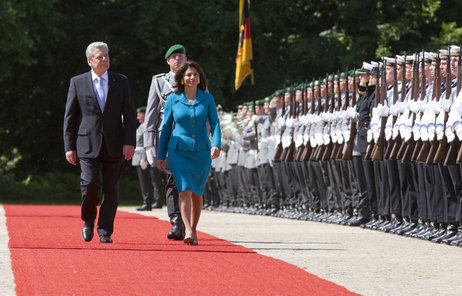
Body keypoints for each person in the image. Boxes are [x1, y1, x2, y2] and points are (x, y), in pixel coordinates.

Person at [63, 41, 136, 243]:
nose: (104, 59)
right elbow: (70, 117)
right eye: (99, 56)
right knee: (90, 183)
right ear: (89, 61)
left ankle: (105, 230)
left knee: (111, 189)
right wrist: (69, 147)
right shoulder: (77, 82)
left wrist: (130, 142)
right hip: (86, 144)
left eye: (106, 55)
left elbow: (129, 115)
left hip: (115, 143)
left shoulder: (121, 81)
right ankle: (88, 220)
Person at [156, 61, 221, 245]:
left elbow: (215, 123)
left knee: (196, 193)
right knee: (184, 189)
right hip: (178, 152)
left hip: (201, 152)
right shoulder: (173, 100)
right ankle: (189, 231)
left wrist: (216, 144)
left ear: (200, 78)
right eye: (188, 75)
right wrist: (161, 155)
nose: (192, 78)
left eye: (195, 75)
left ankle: (194, 227)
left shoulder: (207, 99)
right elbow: (166, 128)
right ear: (182, 79)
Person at [144, 44, 187, 240]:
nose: (178, 59)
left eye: (181, 56)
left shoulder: (194, 79)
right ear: (168, 61)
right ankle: (176, 220)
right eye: (174, 57)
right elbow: (151, 114)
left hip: (190, 137)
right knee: (172, 180)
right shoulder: (159, 82)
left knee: (187, 181)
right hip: (167, 137)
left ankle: (187, 221)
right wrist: (148, 144)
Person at [132, 106, 164, 211]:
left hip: (143, 156)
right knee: (145, 180)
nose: (137, 117)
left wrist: (145, 158)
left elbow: (149, 142)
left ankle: (148, 202)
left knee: (147, 180)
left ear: (145, 114)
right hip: (140, 155)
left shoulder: (147, 125)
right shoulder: (142, 125)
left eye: (139, 114)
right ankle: (148, 201)